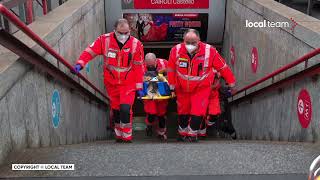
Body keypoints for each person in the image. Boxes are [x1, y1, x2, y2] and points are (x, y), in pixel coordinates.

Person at [73, 19, 144, 143]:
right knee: (116, 110)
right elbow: (90, 52)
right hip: (111, 83)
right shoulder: (104, 40)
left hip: (128, 83)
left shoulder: (136, 44)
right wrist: (80, 64)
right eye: (120, 33)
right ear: (114, 30)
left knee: (125, 109)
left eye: (126, 33)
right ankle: (119, 134)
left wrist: (140, 87)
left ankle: (127, 135)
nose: (123, 36)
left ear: (129, 31)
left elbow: (139, 66)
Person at [167, 29, 236, 142]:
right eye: (187, 42)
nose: (190, 45)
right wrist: (172, 85)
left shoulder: (210, 51)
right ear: (183, 40)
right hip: (182, 89)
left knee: (198, 112)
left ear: (199, 40)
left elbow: (223, 68)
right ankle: (182, 133)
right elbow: (171, 69)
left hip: (201, 88)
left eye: (193, 42)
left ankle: (192, 134)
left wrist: (232, 84)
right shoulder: (176, 50)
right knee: (183, 112)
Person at [143, 53, 169, 141]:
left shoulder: (164, 63)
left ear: (155, 60)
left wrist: (163, 76)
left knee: (161, 114)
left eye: (151, 65)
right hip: (149, 93)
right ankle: (149, 125)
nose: (150, 67)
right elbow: (139, 78)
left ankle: (161, 133)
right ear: (145, 62)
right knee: (151, 113)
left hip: (162, 92)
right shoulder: (141, 65)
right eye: (148, 65)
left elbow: (171, 75)